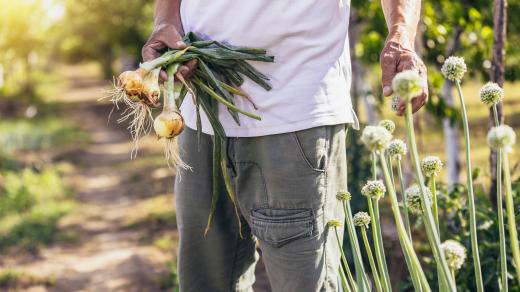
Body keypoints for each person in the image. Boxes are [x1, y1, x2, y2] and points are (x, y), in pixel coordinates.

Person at [142, 1, 428, 291]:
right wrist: (165, 19)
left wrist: (401, 36)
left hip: (295, 116)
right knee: (202, 283)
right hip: (198, 110)